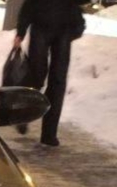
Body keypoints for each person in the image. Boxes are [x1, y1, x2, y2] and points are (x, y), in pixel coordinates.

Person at [14, 0, 84, 147]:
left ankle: (49, 134)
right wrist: (21, 31)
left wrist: (78, 26)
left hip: (65, 28)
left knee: (58, 82)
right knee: (36, 76)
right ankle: (24, 113)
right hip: (40, 25)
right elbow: (29, 4)